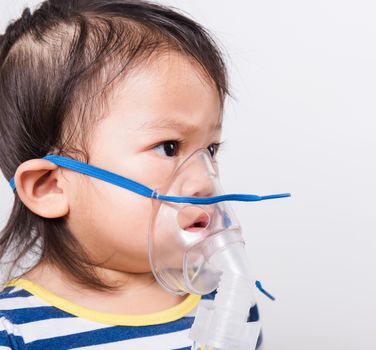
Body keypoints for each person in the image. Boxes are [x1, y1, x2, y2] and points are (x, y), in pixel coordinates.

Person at [0, 0, 269, 348]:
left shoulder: (227, 304)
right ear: (50, 186)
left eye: (211, 150)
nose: (205, 182)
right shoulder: (16, 330)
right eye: (168, 147)